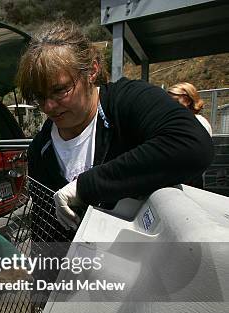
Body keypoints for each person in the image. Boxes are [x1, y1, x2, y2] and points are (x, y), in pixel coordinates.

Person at [16, 21, 214, 231]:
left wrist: (86, 187)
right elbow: (43, 224)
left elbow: (193, 145)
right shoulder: (40, 148)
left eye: (60, 90)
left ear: (92, 71)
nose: (49, 106)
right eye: (39, 97)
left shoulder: (128, 101)